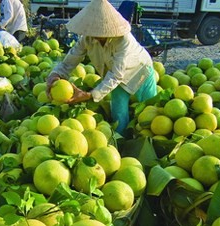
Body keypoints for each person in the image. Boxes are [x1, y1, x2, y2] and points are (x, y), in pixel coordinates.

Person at [46, 0, 157, 135]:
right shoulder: (87, 39)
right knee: (119, 114)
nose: (96, 35)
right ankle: (121, 142)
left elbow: (116, 74)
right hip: (115, 76)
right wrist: (55, 75)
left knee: (152, 110)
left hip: (140, 69)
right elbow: (70, 60)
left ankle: (152, 140)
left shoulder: (123, 40)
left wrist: (89, 95)